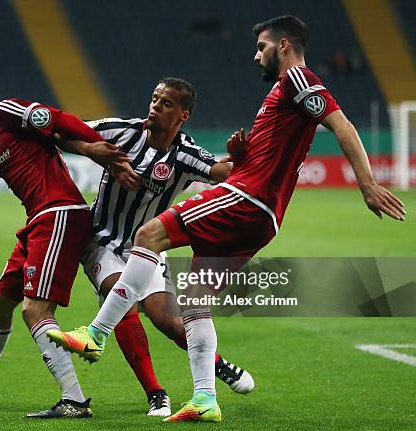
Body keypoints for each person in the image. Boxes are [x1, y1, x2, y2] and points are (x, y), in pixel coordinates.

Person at [47, 15, 406, 423]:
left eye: (262, 47)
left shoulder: (298, 81)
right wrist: (244, 154)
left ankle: (95, 333)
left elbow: (341, 123)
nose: (256, 55)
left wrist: (367, 183)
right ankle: (205, 398)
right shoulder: (284, 94)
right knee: (196, 304)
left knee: (149, 234)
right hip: (264, 216)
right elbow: (276, 155)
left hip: (246, 198)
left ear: (284, 45)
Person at [0, 61, 129, 418]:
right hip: (39, 221)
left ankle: (75, 401)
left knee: (34, 310)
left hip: (59, 215)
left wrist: (97, 150)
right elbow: (54, 140)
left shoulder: (5, 112)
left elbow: (59, 119)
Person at [59, 77, 254, 417]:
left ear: (183, 115)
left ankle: (217, 365)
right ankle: (156, 393)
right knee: (121, 303)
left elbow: (223, 172)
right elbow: (62, 133)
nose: (155, 106)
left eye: (165, 103)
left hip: (148, 247)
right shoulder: (120, 131)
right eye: (154, 99)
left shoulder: (186, 154)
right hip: (101, 240)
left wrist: (242, 159)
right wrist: (97, 153)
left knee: (167, 319)